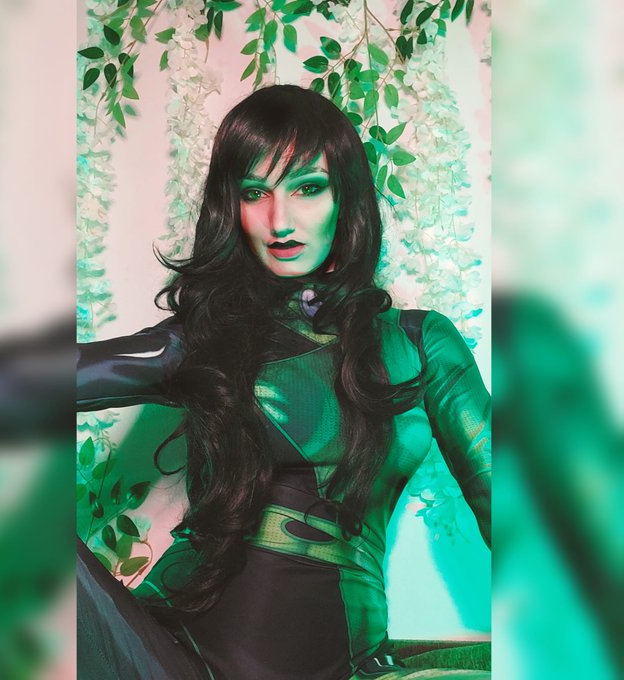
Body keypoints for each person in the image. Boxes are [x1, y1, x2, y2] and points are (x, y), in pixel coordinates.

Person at [77, 84, 491, 680]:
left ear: (345, 197)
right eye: (255, 193)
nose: (279, 221)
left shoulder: (419, 345)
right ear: (233, 209)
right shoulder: (201, 341)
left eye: (307, 187)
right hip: (170, 662)